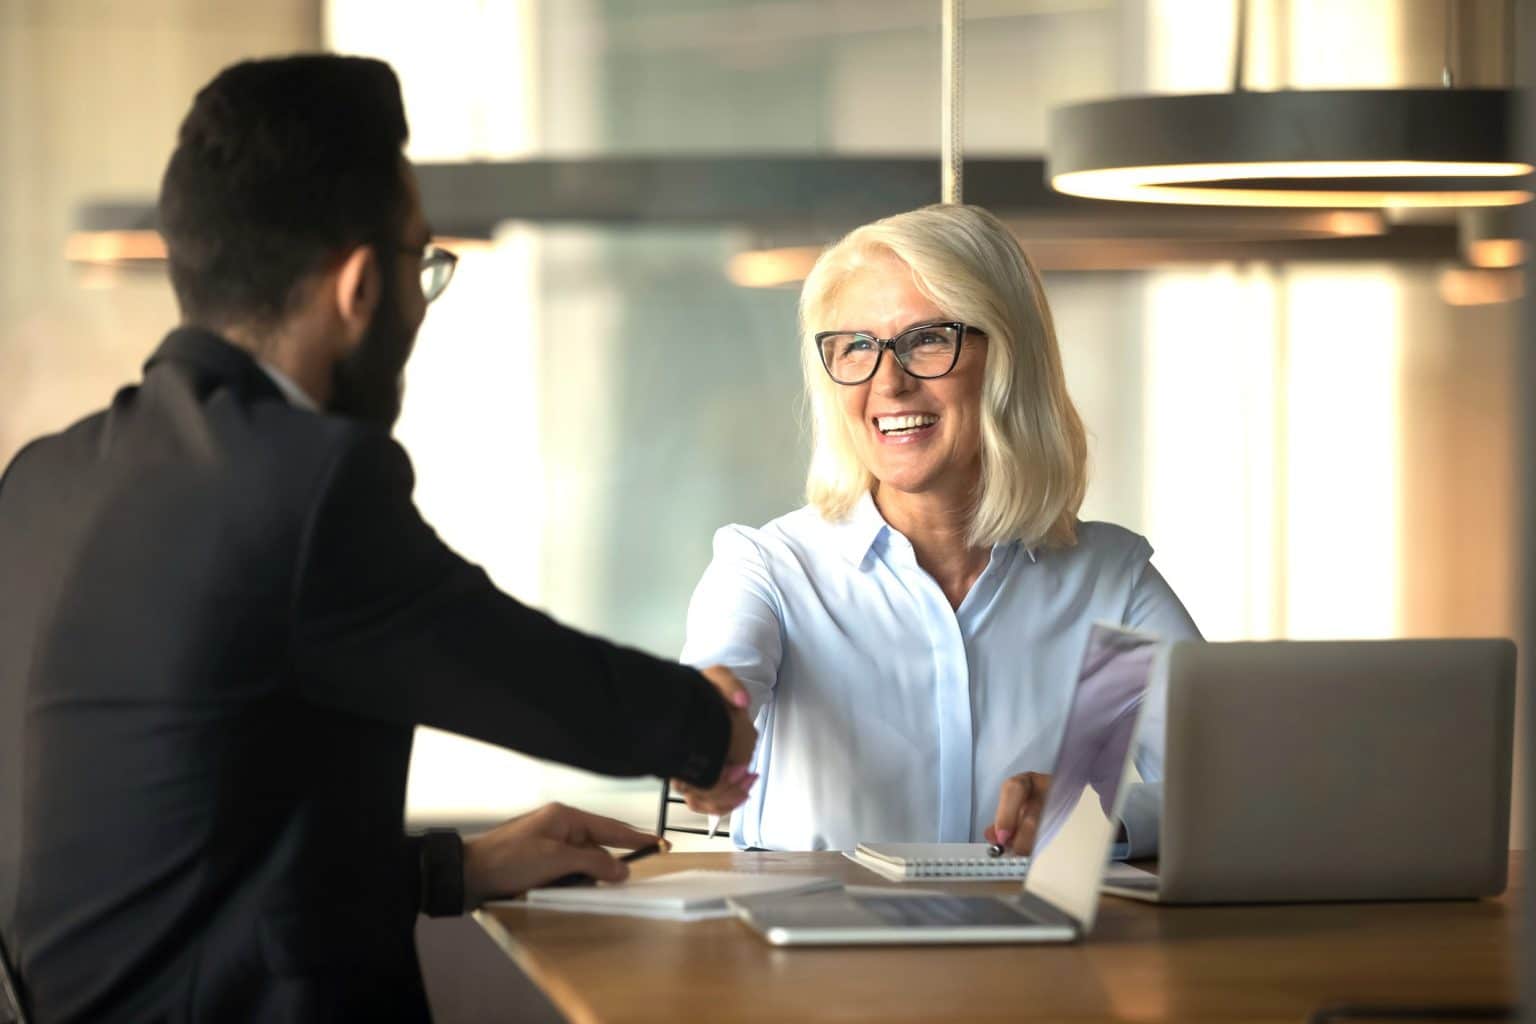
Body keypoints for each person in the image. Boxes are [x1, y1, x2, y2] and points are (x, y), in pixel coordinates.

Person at [0, 55, 756, 1023]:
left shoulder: (41, 481)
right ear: (359, 287)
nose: (419, 300)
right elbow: (526, 675)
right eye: (420, 264)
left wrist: (455, 866)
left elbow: (168, 888)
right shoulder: (301, 484)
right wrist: (705, 728)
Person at [681, 203, 1199, 856]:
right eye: (857, 346)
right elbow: (716, 687)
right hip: (818, 954)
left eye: (928, 339)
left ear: (1009, 359)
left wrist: (1096, 816)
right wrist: (703, 731)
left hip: (1036, 955)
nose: (888, 382)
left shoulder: (1109, 582)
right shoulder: (770, 571)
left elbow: (1221, 785)